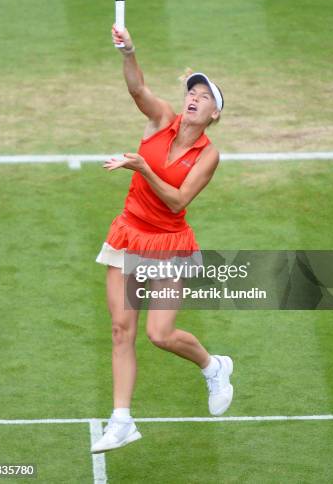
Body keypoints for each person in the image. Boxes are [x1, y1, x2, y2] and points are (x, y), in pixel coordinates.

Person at [91, 26, 234, 454]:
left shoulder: (208, 155)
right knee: (121, 329)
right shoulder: (161, 119)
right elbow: (138, 91)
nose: (194, 97)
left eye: (204, 96)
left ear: (214, 115)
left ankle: (213, 366)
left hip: (168, 245)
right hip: (129, 233)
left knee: (160, 333)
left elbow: (176, 201)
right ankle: (121, 421)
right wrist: (129, 52)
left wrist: (142, 168)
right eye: (193, 91)